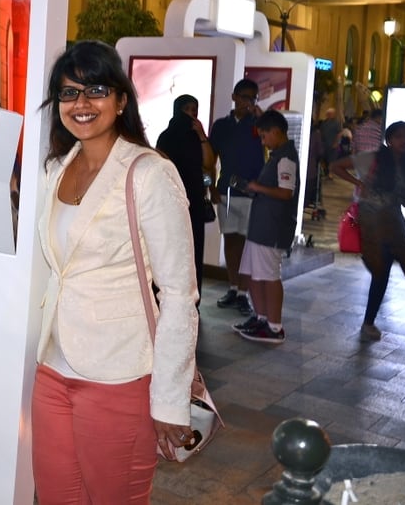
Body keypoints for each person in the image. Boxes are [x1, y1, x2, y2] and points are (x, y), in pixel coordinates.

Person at [33, 40, 198, 504]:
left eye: (96, 90)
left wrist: (169, 400)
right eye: (68, 93)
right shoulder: (57, 167)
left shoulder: (148, 173)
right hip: (52, 369)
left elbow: (179, 293)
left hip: (119, 375)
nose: (81, 103)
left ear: (121, 100)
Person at [331, 121, 405, 342]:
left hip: (393, 222)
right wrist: (359, 183)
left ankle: (368, 322)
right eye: (399, 136)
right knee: (380, 269)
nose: (404, 141)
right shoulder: (372, 158)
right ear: (389, 139)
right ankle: (368, 322)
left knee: (384, 269)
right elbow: (336, 166)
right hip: (371, 221)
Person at [231, 110, 300, 344]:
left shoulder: (286, 158)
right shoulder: (277, 155)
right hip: (260, 226)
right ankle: (261, 318)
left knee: (270, 276)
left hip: (272, 228)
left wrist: (257, 187)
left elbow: (286, 192)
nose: (263, 142)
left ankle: (274, 326)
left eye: (264, 136)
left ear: (276, 132)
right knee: (253, 273)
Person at [209, 78, 265, 316]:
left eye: (252, 98)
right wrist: (210, 186)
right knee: (231, 241)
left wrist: (261, 117)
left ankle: (244, 292)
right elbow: (209, 159)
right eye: (244, 97)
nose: (247, 102)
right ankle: (233, 287)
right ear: (234, 97)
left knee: (248, 244)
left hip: (253, 193)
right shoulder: (221, 126)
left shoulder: (259, 124)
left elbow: (273, 144)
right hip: (227, 191)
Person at [155, 94, 214, 300]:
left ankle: (192, 297)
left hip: (194, 200)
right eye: (186, 110)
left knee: (194, 248)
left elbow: (209, 163)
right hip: (171, 199)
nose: (191, 115)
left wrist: (202, 135)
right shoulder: (166, 137)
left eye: (194, 111)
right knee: (170, 248)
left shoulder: (197, 137)